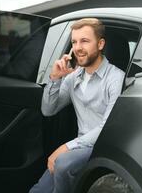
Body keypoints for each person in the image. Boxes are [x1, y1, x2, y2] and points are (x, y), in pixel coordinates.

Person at [29, 18, 125, 193]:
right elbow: (48, 110)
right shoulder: (73, 77)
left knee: (64, 164)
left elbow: (106, 128)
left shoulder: (116, 78)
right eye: (74, 42)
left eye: (85, 41)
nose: (78, 47)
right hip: (79, 147)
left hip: (102, 146)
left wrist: (66, 147)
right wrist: (55, 79)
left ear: (101, 43)